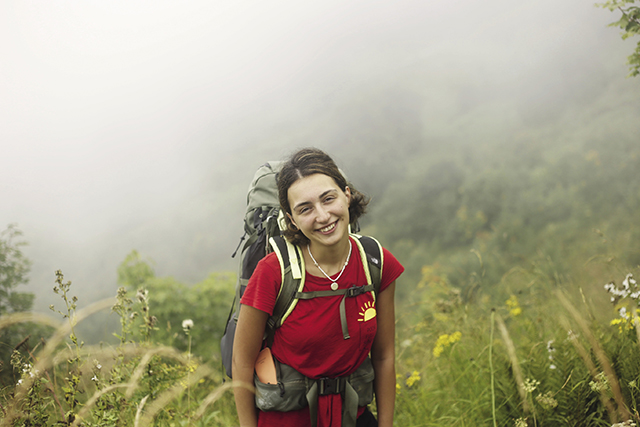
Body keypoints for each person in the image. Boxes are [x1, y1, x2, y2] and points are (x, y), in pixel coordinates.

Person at [232, 148, 404, 427]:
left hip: (354, 418)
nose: (323, 216)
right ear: (291, 219)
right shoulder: (273, 273)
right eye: (305, 209)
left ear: (346, 195)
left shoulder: (376, 262)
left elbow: (384, 356)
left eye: (328, 199)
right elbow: (241, 362)